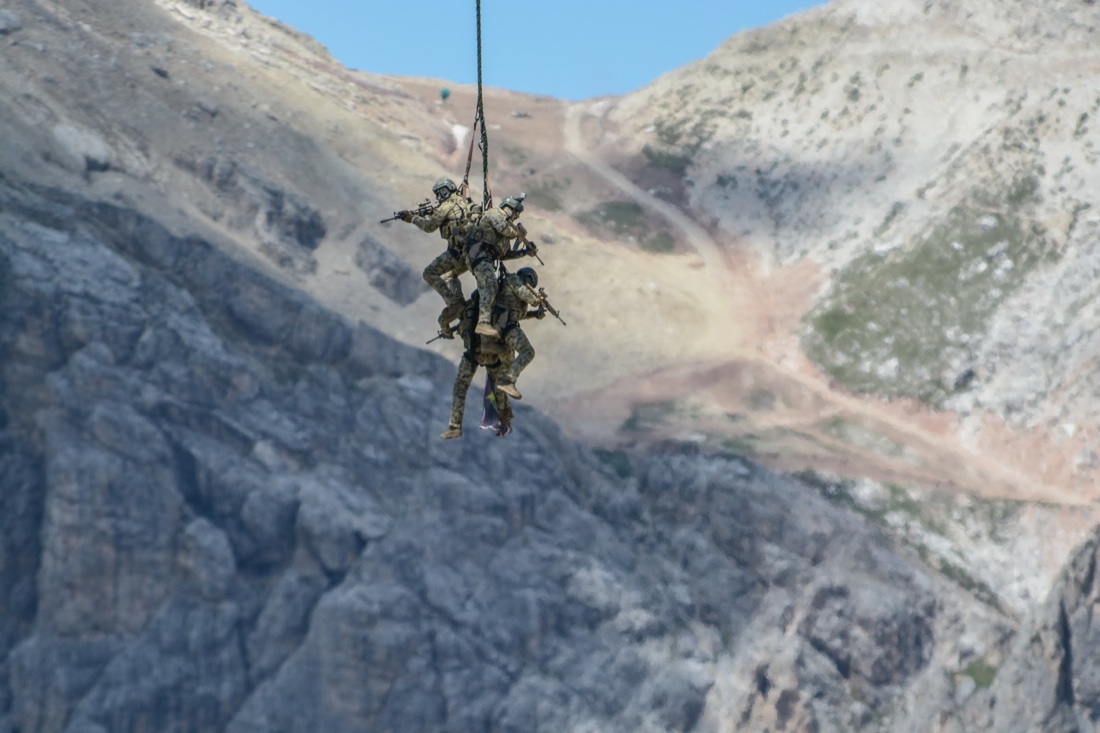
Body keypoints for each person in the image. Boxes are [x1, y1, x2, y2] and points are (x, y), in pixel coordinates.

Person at [440, 290, 519, 439]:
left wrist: (447, 331)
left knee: (460, 388)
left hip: (472, 355)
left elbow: (445, 320)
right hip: (491, 357)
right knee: (499, 388)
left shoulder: (466, 308)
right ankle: (504, 420)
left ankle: (455, 426)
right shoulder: (496, 310)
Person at [401, 177, 474, 337]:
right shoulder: (463, 202)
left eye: (438, 194)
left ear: (444, 191)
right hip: (470, 254)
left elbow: (429, 227)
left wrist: (412, 218)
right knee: (449, 276)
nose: (437, 198)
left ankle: (454, 304)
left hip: (457, 253)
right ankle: (461, 305)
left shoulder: (446, 206)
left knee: (429, 273)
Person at [466, 194, 537, 337]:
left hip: (486, 260)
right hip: (478, 255)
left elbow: (505, 255)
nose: (517, 216)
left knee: (493, 289)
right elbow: (503, 228)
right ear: (508, 208)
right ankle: (483, 323)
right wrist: (518, 234)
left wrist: (524, 252)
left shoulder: (505, 235)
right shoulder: (495, 214)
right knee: (490, 285)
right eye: (516, 212)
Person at [487, 266, 545, 400]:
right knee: (528, 351)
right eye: (530, 282)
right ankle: (509, 381)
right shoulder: (513, 279)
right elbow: (525, 294)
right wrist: (537, 300)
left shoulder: (518, 296)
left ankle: (499, 397)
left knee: (508, 365)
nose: (530, 286)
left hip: (505, 325)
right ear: (525, 276)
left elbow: (518, 314)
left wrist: (535, 314)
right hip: (503, 324)